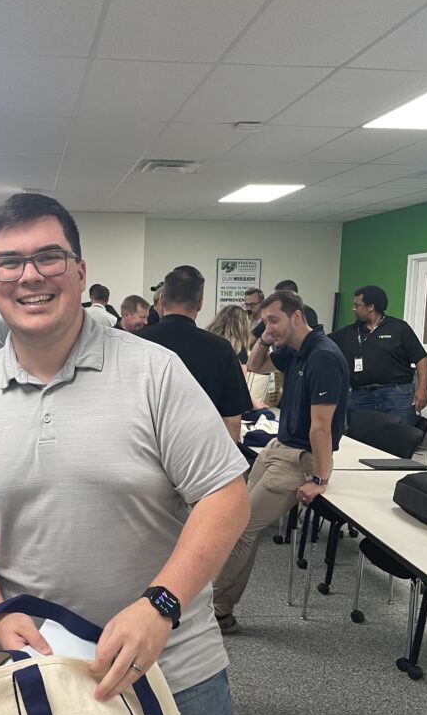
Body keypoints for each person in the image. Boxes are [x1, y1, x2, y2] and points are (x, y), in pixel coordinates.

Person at [0, 192, 250, 715]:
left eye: (49, 257)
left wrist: (161, 605)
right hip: (40, 674)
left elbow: (225, 496)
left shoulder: (155, 372)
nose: (30, 275)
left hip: (172, 671)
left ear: (79, 272)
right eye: (10, 262)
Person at [211, 290, 348, 634]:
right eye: (264, 320)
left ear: (296, 316)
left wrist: (320, 479)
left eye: (274, 319)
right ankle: (215, 602)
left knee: (243, 529)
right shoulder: (296, 350)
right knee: (234, 521)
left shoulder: (323, 356)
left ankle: (218, 611)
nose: (267, 326)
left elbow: (321, 427)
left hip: (299, 458)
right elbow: (256, 365)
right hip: (278, 447)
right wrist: (263, 336)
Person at [141, 266, 251, 442]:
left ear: (161, 299)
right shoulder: (221, 349)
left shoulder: (135, 343)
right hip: (199, 451)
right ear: (200, 303)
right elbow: (232, 421)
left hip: (145, 448)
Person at [329, 285, 427, 425]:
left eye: (357, 305)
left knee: (398, 436)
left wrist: (422, 389)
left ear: (370, 307)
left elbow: (421, 359)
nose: (353, 309)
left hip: (397, 394)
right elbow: (322, 343)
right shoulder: (349, 332)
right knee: (360, 436)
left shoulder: (399, 328)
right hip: (360, 396)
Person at [210, 303, 271, 410]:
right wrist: (253, 404)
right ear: (243, 327)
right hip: (224, 407)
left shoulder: (207, 343)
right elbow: (237, 387)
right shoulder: (238, 349)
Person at [251, 279, 319, 344]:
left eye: (278, 298)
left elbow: (312, 339)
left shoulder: (308, 312)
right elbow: (253, 337)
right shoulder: (275, 313)